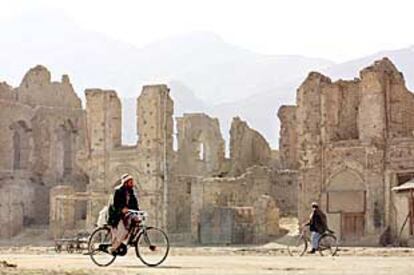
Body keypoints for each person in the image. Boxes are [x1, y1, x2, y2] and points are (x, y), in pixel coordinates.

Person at [107, 173, 141, 254]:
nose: (132, 184)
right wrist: (121, 210)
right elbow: (114, 205)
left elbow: (134, 204)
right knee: (123, 231)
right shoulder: (118, 191)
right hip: (117, 215)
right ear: (126, 183)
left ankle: (130, 240)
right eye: (131, 182)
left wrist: (138, 212)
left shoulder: (131, 192)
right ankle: (113, 248)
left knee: (137, 222)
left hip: (126, 215)